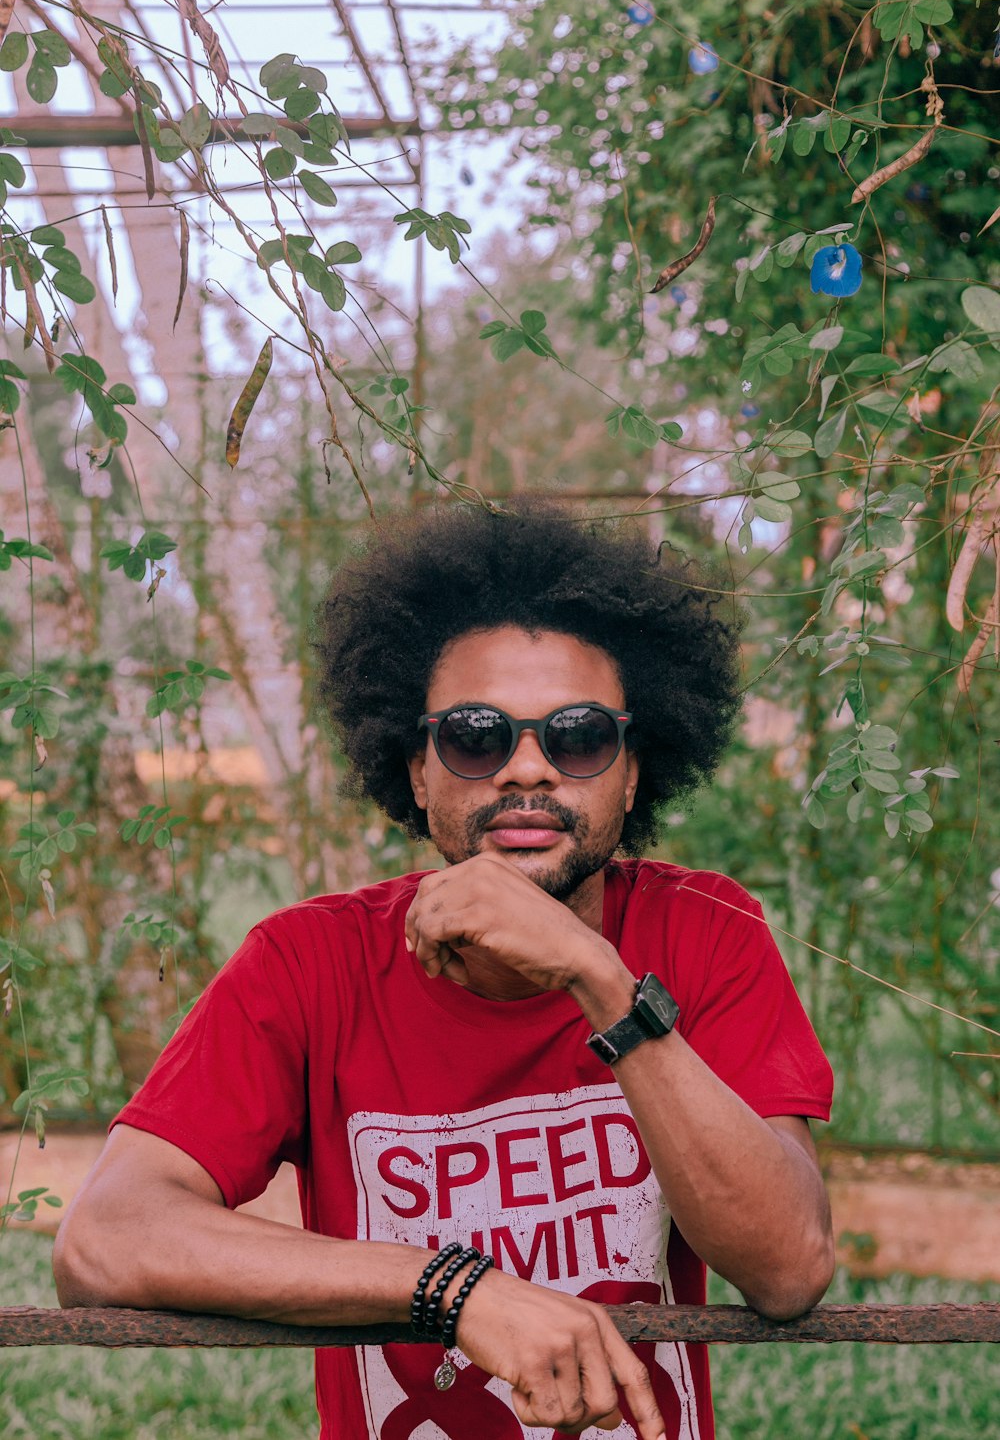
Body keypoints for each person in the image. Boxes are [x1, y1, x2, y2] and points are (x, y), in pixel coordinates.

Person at [54, 502, 835, 1440]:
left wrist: (597, 975)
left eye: (579, 737)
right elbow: (106, 1239)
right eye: (477, 735)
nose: (527, 771)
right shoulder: (311, 964)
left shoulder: (707, 931)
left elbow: (789, 1268)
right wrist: (457, 1292)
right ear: (418, 769)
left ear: (633, 771)